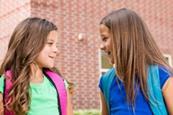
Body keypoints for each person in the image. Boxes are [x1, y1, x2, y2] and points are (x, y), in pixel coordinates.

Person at [99, 8, 173, 115]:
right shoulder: (106, 82)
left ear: (123, 39)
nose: (101, 46)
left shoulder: (162, 77)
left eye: (105, 39)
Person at [0, 17, 73, 115]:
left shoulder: (60, 84)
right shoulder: (5, 83)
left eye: (56, 45)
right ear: (29, 45)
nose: (56, 50)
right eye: (50, 43)